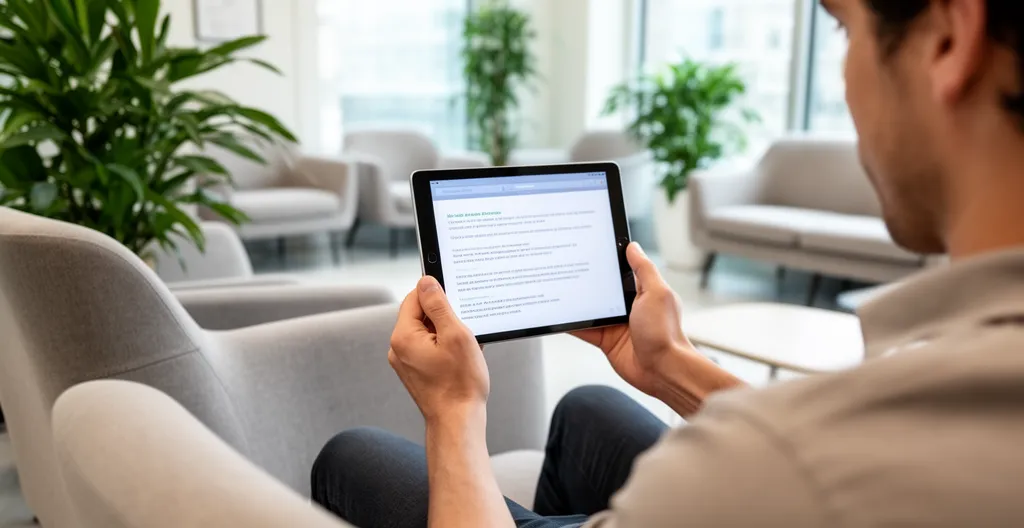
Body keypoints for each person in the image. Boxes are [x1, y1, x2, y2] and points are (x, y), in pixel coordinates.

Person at [311, 0, 1024, 526]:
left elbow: (819, 458)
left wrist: (456, 412)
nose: (843, 80)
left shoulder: (758, 471)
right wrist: (670, 364)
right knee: (587, 407)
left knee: (352, 454)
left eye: (844, 29)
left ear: (949, 39)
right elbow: (868, 453)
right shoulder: (953, 390)